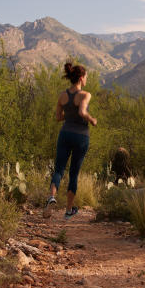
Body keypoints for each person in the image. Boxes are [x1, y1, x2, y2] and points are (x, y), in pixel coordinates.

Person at [45, 62, 97, 219]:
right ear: (81, 78)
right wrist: (92, 119)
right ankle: (68, 211)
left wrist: (69, 114)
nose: (86, 79)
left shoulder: (62, 95)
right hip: (81, 136)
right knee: (74, 172)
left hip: (65, 134)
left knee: (59, 169)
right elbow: (82, 111)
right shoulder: (85, 95)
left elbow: (58, 117)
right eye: (86, 77)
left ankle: (51, 197)